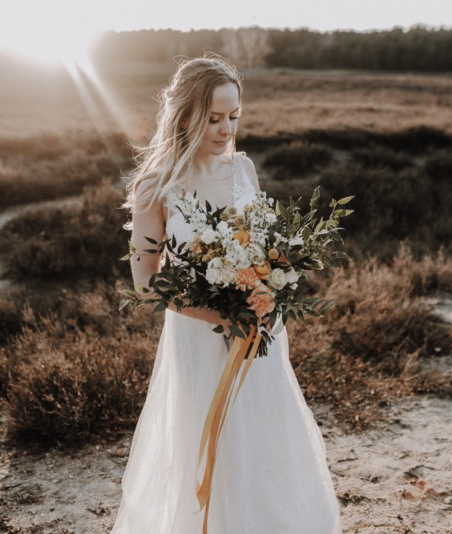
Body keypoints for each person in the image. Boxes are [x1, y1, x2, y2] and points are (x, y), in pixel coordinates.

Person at [112, 54, 341, 534]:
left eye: (233, 116)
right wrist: (219, 316)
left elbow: (260, 246)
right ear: (185, 114)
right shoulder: (157, 185)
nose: (225, 128)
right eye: (213, 117)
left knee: (261, 439)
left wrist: (270, 289)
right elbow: (146, 284)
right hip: (198, 336)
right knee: (208, 438)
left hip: (259, 332)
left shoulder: (243, 169)